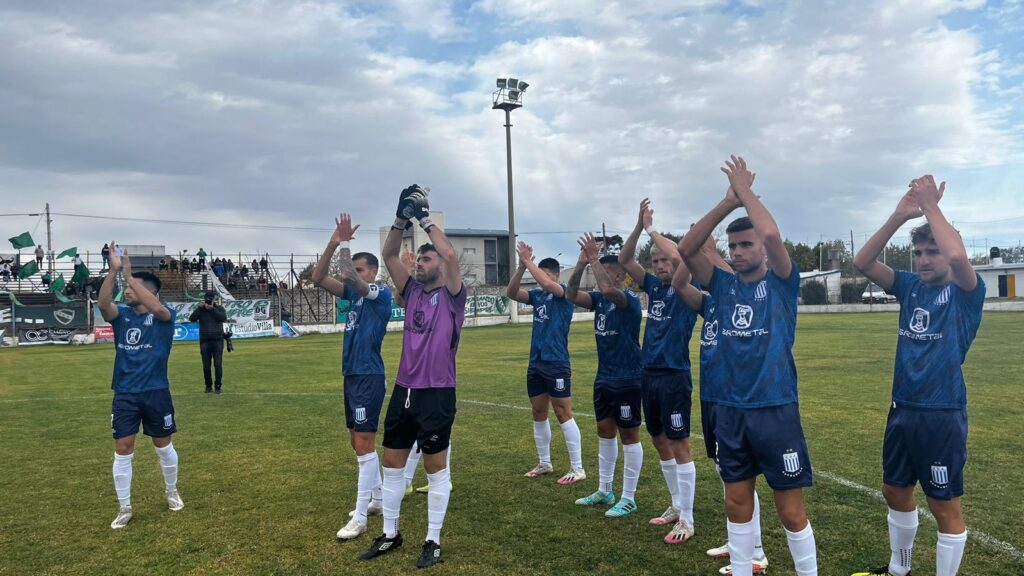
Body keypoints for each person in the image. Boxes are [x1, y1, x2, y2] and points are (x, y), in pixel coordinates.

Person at [679, 156, 817, 576]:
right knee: (736, 502)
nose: (738, 253)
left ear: (763, 250)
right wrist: (727, 203)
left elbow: (772, 233)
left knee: (790, 510)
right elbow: (687, 248)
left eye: (746, 245)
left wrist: (747, 194)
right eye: (733, 246)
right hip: (730, 411)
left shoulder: (781, 282)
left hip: (774, 409)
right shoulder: (721, 284)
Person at [850, 176, 983, 576]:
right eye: (919, 252)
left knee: (944, 505)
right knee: (895, 490)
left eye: (933, 251)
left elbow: (960, 260)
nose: (924, 259)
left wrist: (932, 207)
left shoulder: (965, 292)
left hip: (941, 414)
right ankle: (899, 568)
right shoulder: (910, 287)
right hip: (902, 409)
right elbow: (862, 262)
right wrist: (900, 215)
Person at [359, 185, 464, 569]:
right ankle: (390, 534)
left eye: (425, 258)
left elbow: (450, 253)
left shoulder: (453, 294)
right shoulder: (412, 292)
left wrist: (424, 218)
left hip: (437, 392)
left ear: (439, 265)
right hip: (405, 389)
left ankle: (432, 540)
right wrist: (401, 218)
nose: (418, 263)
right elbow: (388, 254)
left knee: (436, 468)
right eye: (417, 259)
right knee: (392, 464)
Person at [678, 229, 771, 575]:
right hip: (712, 395)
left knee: (739, 475)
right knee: (726, 471)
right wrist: (694, 254)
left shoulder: (741, 294)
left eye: (741, 247)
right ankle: (740, 544)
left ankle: (755, 552)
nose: (735, 254)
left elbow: (736, 276)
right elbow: (679, 284)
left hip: (736, 396)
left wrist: (713, 251)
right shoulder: (710, 302)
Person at [619, 199, 699, 543]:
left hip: (674, 375)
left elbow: (683, 256)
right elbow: (624, 261)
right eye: (656, 261)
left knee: (680, 444)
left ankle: (689, 520)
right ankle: (677, 504)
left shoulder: (684, 286)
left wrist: (653, 229)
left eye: (664, 260)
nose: (660, 265)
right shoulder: (653, 287)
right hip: (648, 375)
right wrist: (638, 227)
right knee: (659, 440)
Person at [311, 212, 393, 542]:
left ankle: (360, 517)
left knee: (363, 444)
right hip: (352, 376)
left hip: (368, 376)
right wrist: (332, 243)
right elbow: (319, 277)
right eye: (355, 270)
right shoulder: (353, 297)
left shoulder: (380, 294)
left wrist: (344, 244)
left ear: (372, 272)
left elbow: (347, 276)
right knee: (355, 440)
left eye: (361, 270)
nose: (353, 275)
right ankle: (377, 499)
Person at [96, 242, 182, 529]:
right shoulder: (123, 315)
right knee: (123, 447)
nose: (126, 290)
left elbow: (158, 308)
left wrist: (131, 277)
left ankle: (171, 491)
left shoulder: (164, 315)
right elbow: (103, 305)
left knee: (163, 445)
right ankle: (125, 507)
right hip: (125, 393)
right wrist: (115, 271)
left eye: (132, 287)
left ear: (149, 290)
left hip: (156, 391)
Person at [567, 233, 645, 519]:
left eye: (613, 273)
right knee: (604, 432)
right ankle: (605, 490)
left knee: (629, 435)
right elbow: (571, 294)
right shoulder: (599, 299)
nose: (605, 277)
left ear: (624, 278)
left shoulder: (629, 299)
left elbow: (609, 290)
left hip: (628, 378)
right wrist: (580, 265)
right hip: (605, 378)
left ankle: (629, 497)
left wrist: (594, 260)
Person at [506, 241, 586, 484]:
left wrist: (529, 263)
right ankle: (544, 462)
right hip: (536, 362)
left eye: (546, 275)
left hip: (557, 362)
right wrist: (522, 268)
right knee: (538, 411)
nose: (542, 280)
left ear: (556, 275)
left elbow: (548, 284)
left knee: (563, 412)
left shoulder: (563, 293)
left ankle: (578, 468)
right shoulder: (538, 296)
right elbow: (511, 293)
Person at [188, 291, 227, 394]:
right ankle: (208, 386)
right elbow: (192, 319)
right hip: (205, 341)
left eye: (210, 299)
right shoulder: (201, 310)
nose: (209, 301)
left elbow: (223, 318)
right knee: (206, 366)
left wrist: (212, 309)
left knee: (218, 365)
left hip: (218, 340)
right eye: (207, 299)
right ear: (204, 299)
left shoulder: (219, 308)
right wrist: (199, 308)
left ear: (214, 300)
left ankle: (218, 386)